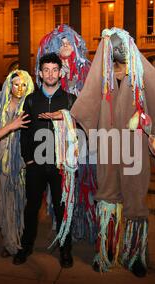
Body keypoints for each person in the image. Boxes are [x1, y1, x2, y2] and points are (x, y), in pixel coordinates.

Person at [40, 28, 155, 278]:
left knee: (135, 200)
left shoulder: (140, 78)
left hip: (135, 149)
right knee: (107, 198)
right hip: (107, 148)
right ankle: (106, 253)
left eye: (121, 47)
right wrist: (63, 115)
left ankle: (134, 255)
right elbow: (81, 109)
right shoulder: (100, 81)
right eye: (113, 47)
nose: (117, 52)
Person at [13, 52, 77, 268]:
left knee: (62, 210)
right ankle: (26, 246)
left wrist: (65, 116)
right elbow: (24, 131)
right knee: (31, 208)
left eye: (54, 70)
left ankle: (65, 250)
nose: (50, 74)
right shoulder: (31, 100)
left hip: (61, 166)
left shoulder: (69, 100)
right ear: (40, 74)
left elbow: (82, 128)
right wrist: (28, 159)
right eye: (46, 70)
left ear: (61, 73)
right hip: (36, 165)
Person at [36, 24, 97, 243]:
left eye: (68, 41)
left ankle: (84, 222)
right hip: (54, 140)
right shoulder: (50, 72)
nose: (65, 45)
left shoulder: (88, 70)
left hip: (84, 138)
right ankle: (62, 222)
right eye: (60, 42)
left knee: (85, 180)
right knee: (59, 182)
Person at [0, 69, 33, 258]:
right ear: (9, 84)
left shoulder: (30, 105)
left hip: (17, 164)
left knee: (12, 202)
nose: (19, 88)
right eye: (15, 84)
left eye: (23, 84)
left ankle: (11, 241)